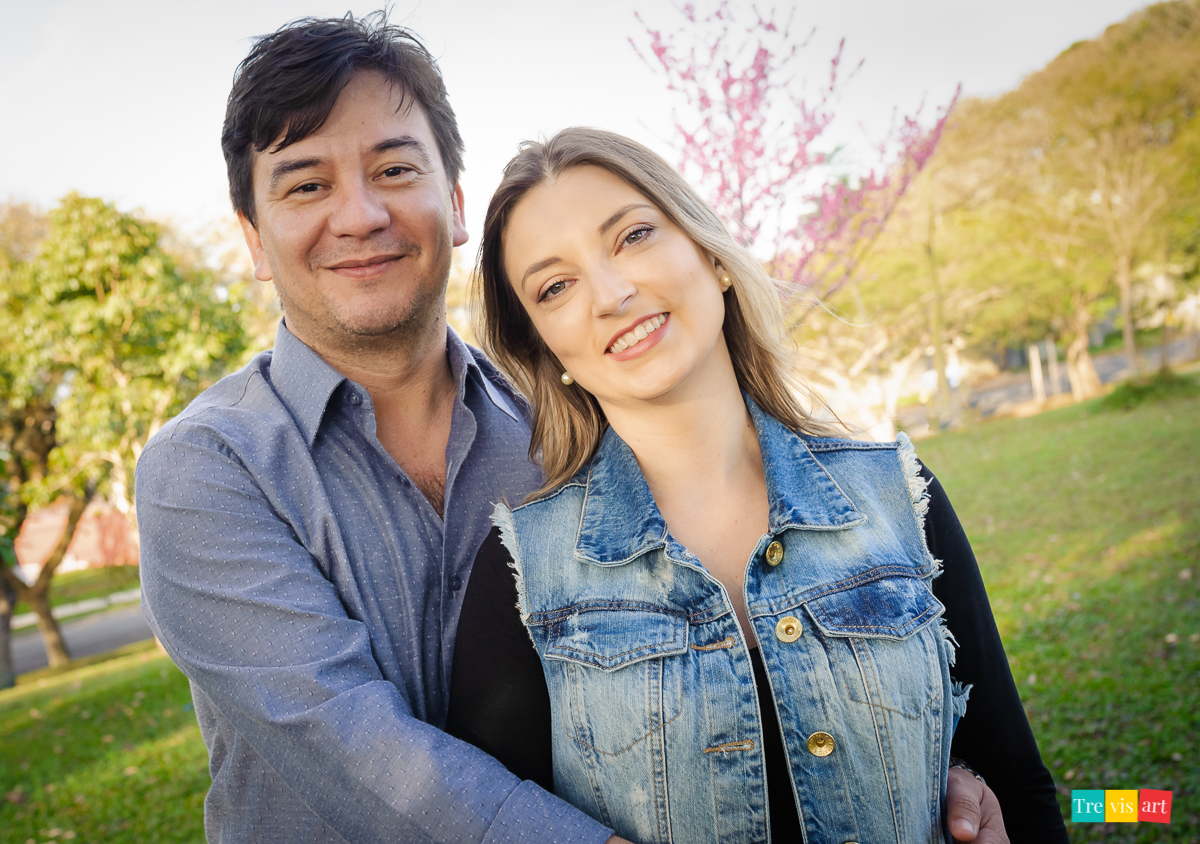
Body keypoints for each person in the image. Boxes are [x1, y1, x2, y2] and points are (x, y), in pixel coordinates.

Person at [136, 11, 1029, 844]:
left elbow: (1037, 786)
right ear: (253, 239)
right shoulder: (206, 471)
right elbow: (348, 742)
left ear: (452, 204)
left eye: (395, 169)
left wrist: (910, 774)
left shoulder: (586, 443)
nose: (362, 214)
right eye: (306, 184)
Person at [447, 127, 1068, 843]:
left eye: (635, 236)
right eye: (555, 287)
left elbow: (1027, 788)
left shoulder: (898, 496)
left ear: (711, 257)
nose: (612, 294)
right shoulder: (523, 570)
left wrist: (989, 789)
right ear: (542, 346)